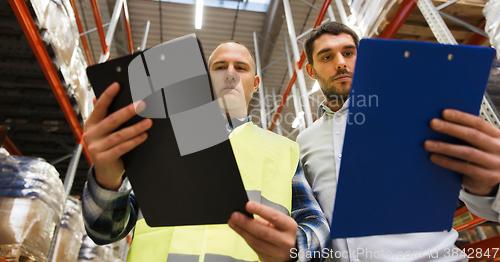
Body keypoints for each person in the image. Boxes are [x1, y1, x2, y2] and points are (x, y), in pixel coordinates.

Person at [81, 40, 330, 262]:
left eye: (240, 68)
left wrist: (296, 247)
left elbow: (316, 223)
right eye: (220, 67)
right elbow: (105, 230)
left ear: (255, 84)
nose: (230, 74)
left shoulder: (284, 150)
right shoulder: (161, 141)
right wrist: (106, 177)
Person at [297, 21, 500, 261]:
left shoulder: (414, 114)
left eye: (349, 53)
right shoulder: (305, 141)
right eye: (327, 56)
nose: (341, 62)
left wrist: (490, 188)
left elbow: (484, 207)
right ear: (311, 71)